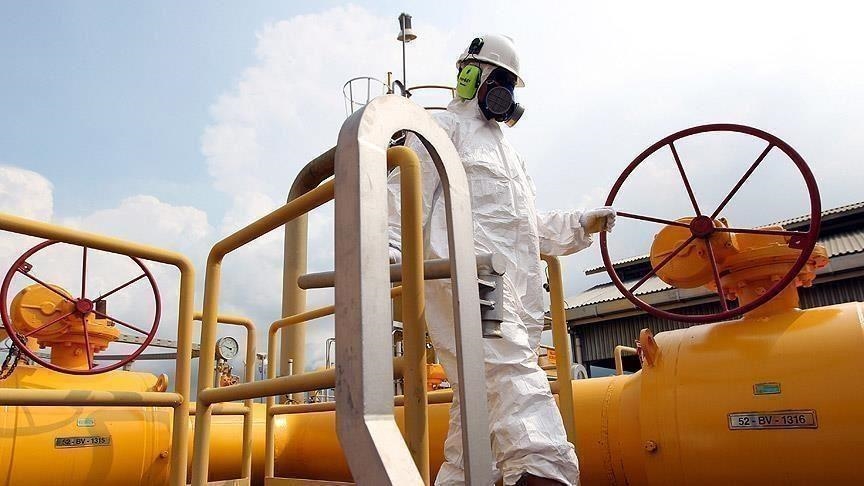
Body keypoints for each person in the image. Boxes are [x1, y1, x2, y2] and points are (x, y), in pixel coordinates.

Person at [387, 34, 616, 486]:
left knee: (476, 401)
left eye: (511, 85)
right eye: (501, 81)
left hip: (517, 292)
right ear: (473, 77)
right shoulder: (439, 129)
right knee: (511, 372)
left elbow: (526, 225)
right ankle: (542, 469)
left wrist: (580, 223)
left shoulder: (510, 155)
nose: (506, 94)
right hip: (468, 276)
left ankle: (460, 478)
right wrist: (390, 248)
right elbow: (402, 194)